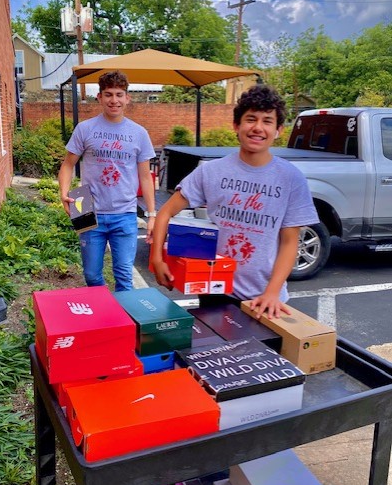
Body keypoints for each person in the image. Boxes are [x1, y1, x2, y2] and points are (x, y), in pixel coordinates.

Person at [151, 84, 318, 318]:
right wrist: (157, 259)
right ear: (236, 125)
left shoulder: (291, 178)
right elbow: (165, 213)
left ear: (279, 129)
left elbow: (290, 242)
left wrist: (272, 292)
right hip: (214, 290)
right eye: (250, 119)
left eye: (267, 121)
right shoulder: (211, 171)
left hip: (264, 299)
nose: (258, 128)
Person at [58, 70, 156, 292]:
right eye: (109, 94)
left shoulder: (139, 133)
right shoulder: (85, 128)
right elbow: (67, 164)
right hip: (86, 207)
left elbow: (145, 177)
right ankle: (106, 310)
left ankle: (122, 323)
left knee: (124, 277)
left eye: (119, 94)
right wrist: (63, 192)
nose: (114, 100)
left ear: (127, 98)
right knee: (91, 275)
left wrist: (152, 215)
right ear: (100, 97)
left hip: (125, 212)